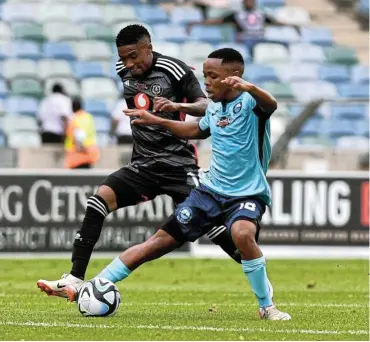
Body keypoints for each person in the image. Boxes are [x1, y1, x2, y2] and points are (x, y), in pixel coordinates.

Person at [62, 48, 290, 321]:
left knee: (242, 235)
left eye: (213, 76)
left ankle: (267, 306)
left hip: (247, 193)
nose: (206, 82)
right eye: (205, 75)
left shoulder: (253, 103)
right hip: (210, 191)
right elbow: (196, 130)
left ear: (234, 77)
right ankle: (96, 284)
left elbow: (272, 104)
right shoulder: (216, 108)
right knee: (158, 242)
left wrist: (249, 87)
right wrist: (160, 118)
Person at [37, 25, 242, 298]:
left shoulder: (175, 70)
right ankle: (74, 279)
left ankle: (255, 268)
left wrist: (176, 107)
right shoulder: (125, 73)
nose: (129, 64)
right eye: (123, 58)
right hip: (143, 165)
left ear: (149, 47)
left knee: (212, 227)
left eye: (134, 56)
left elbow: (207, 106)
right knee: (98, 201)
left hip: (178, 166)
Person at [187, 0, 295, 42]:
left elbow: (275, 22)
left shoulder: (261, 14)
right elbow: (219, 21)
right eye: (248, 1)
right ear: (243, 3)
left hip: (260, 39)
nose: (250, 3)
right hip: (245, 40)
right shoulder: (237, 14)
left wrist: (292, 25)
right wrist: (198, 23)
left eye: (252, 1)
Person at [64, 97, 100, 169]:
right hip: (90, 154)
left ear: (72, 107)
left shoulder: (72, 118)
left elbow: (79, 137)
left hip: (76, 155)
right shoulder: (89, 117)